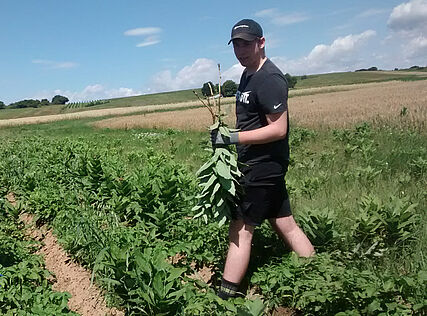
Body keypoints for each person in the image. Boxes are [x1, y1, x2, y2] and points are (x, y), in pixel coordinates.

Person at [211, 18, 315, 300]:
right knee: (284, 222)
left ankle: (226, 296)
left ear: (261, 42)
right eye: (236, 45)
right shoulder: (247, 75)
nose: (240, 50)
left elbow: (278, 129)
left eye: (246, 43)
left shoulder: (269, 78)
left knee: (241, 230)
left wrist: (232, 138)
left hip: (263, 166)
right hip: (257, 164)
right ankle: (317, 273)